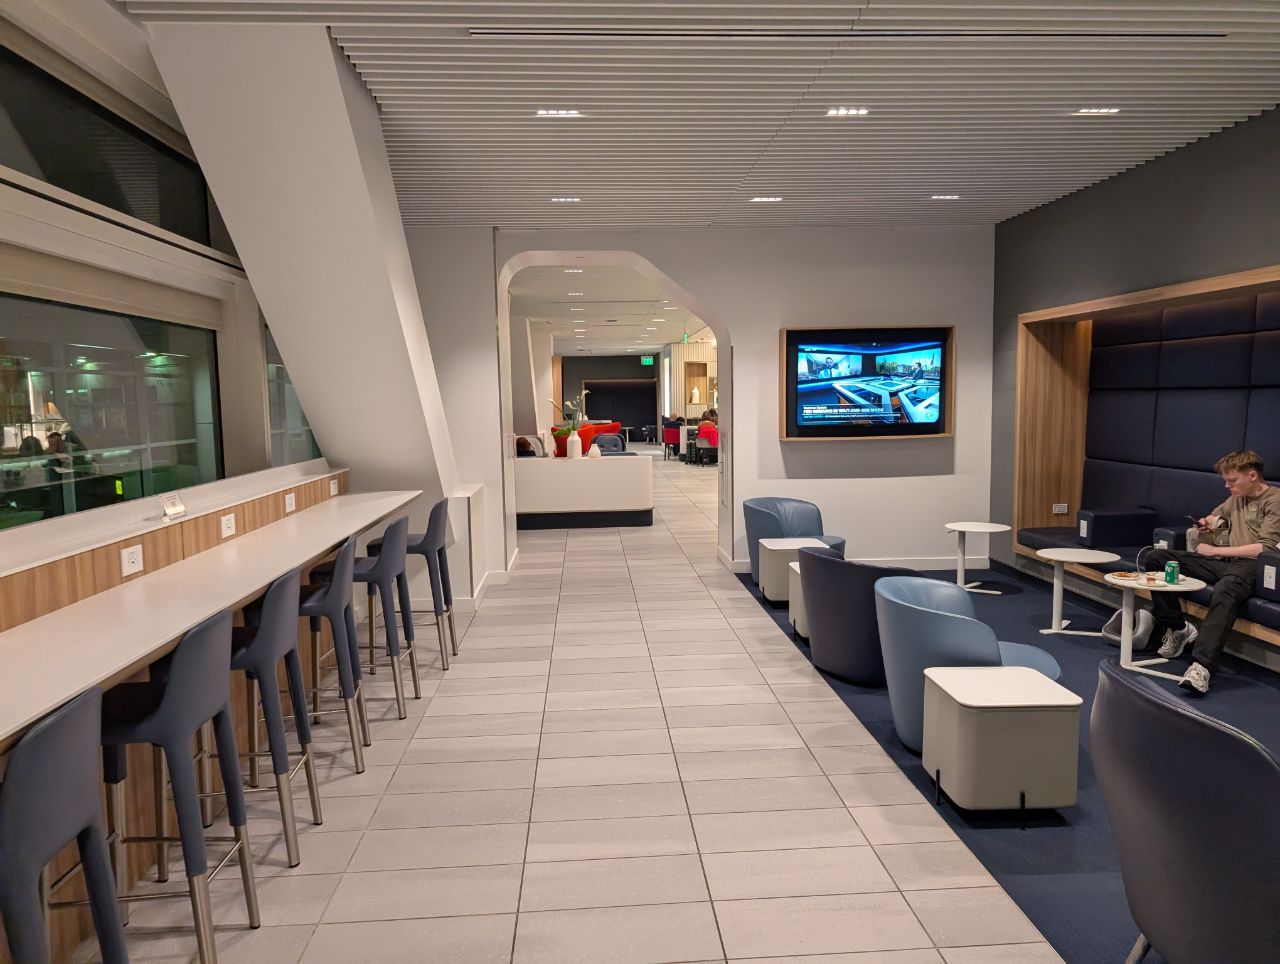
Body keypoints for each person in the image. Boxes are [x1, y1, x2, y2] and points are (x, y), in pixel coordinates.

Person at [1144, 449, 1280, 694]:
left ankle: (1201, 666)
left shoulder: (1275, 500)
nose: (1227, 486)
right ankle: (1178, 628)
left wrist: (1217, 551)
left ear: (1252, 476)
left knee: (1226, 589)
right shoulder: (1236, 497)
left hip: (1253, 565)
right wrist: (1206, 523)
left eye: (1232, 480)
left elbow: (1265, 548)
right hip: (1225, 562)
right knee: (1156, 558)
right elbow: (1216, 514)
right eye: (1225, 481)